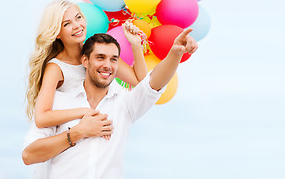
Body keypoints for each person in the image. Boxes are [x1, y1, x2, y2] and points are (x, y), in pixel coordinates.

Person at [22, 31, 198, 178]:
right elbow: (29, 155)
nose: (107, 65)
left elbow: (153, 83)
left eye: (113, 59)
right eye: (100, 57)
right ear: (85, 61)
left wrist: (175, 53)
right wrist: (78, 132)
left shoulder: (125, 103)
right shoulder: (59, 101)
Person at [25, 0, 147, 132]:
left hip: (103, 132)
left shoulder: (98, 52)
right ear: (57, 33)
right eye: (67, 24)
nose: (77, 26)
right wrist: (84, 111)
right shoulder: (56, 68)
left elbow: (140, 81)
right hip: (75, 139)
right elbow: (41, 118)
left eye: (78, 17)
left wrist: (136, 45)